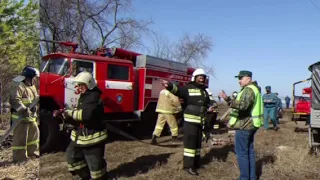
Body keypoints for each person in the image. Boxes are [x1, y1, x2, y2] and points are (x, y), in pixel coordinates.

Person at [160, 68, 211, 176]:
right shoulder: (188, 88)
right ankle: (188, 166)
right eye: (200, 77)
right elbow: (178, 90)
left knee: (197, 145)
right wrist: (169, 85)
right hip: (190, 121)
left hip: (200, 122)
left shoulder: (204, 91)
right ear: (195, 78)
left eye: (203, 78)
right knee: (190, 145)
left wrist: (210, 107)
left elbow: (207, 104)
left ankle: (196, 164)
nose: (202, 79)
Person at [60, 71, 108, 180]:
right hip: (80, 135)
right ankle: (85, 176)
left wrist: (70, 113)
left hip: (93, 137)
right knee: (72, 157)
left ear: (89, 84)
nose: (78, 87)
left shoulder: (93, 96)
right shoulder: (85, 95)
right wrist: (66, 115)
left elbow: (86, 115)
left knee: (95, 166)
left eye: (81, 85)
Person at [219, 70, 263, 180]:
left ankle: (244, 177)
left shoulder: (249, 89)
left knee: (242, 153)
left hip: (244, 125)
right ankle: (252, 177)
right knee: (249, 151)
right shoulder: (253, 89)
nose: (239, 80)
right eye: (238, 78)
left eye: (241, 78)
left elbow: (243, 106)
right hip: (250, 125)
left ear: (248, 78)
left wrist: (227, 99)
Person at [9, 65, 39, 163]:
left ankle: (32, 154)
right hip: (20, 118)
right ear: (29, 77)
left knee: (33, 137)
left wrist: (35, 107)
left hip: (30, 118)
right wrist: (23, 109)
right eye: (34, 77)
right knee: (20, 139)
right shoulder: (18, 84)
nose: (35, 79)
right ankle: (19, 159)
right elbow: (15, 100)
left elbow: (34, 98)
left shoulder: (31, 85)